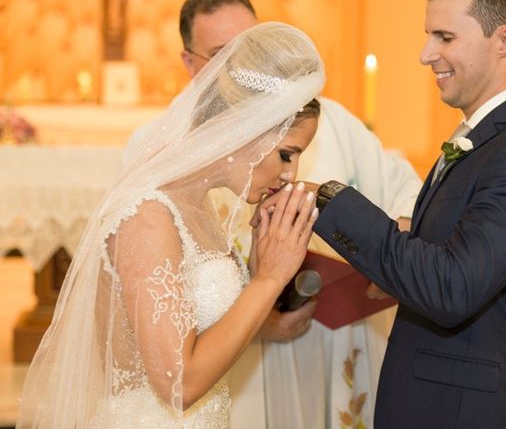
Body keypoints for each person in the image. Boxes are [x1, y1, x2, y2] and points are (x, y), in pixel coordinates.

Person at [258, 0, 506, 428]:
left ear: (505, 42)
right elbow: (452, 254)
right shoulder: (487, 139)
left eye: (445, 37)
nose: (426, 54)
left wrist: (327, 197)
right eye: (430, 35)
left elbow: (451, 288)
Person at [123, 0, 422, 428]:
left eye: (251, 47)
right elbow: (163, 339)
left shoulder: (322, 120)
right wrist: (264, 290)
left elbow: (403, 194)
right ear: (190, 63)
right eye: (224, 55)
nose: (288, 171)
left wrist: (394, 258)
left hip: (320, 345)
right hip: (220, 372)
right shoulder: (157, 153)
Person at [17, 22, 324, 428]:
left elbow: (212, 329)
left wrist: (262, 259)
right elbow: (178, 384)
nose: (290, 173)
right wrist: (268, 279)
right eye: (287, 154)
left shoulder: (199, 205)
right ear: (247, 127)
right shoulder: (148, 213)